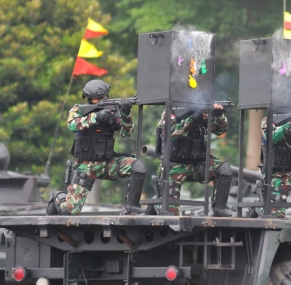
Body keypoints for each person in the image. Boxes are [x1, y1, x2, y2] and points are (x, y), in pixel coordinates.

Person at [46, 79, 146, 216]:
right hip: (85, 166)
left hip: (106, 163)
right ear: (89, 99)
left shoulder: (112, 110)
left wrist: (125, 112)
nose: (100, 101)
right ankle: (57, 197)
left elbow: (127, 132)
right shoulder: (78, 110)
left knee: (137, 166)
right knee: (69, 211)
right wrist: (96, 117)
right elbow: (72, 125)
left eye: (103, 98)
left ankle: (131, 208)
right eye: (96, 99)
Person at [154, 104, 232, 217]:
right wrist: (191, 120)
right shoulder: (172, 111)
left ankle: (219, 208)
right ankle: (156, 206)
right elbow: (170, 134)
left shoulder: (202, 111)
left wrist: (219, 115)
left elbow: (220, 130)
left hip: (197, 165)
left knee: (223, 169)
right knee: (169, 214)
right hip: (174, 167)